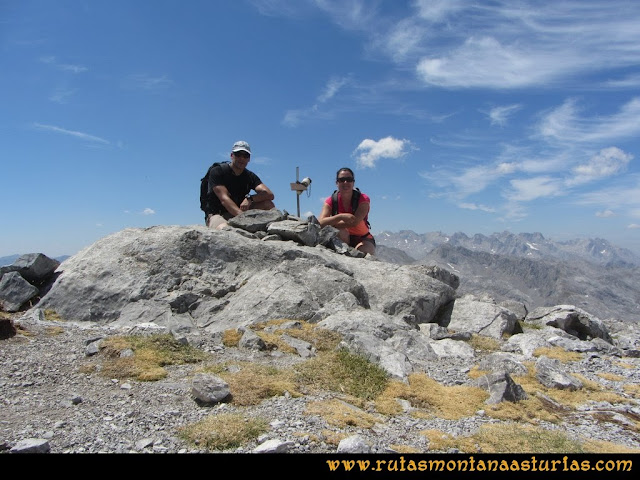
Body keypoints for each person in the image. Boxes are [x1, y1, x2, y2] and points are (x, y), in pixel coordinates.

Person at [205, 140, 275, 229]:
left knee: (267, 204)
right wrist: (243, 219)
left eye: (245, 156)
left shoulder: (249, 176)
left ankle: (274, 230)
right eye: (238, 154)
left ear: (249, 159)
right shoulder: (218, 171)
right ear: (231, 156)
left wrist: (250, 199)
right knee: (225, 229)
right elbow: (224, 199)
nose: (242, 158)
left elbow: (269, 194)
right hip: (219, 214)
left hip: (240, 213)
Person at [318, 167, 376, 255]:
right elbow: (320, 223)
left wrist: (331, 222)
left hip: (363, 238)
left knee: (365, 252)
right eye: (342, 180)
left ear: (353, 182)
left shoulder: (363, 199)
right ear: (337, 183)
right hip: (342, 237)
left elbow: (354, 222)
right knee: (341, 231)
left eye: (349, 179)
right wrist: (340, 216)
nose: (345, 182)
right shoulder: (331, 201)